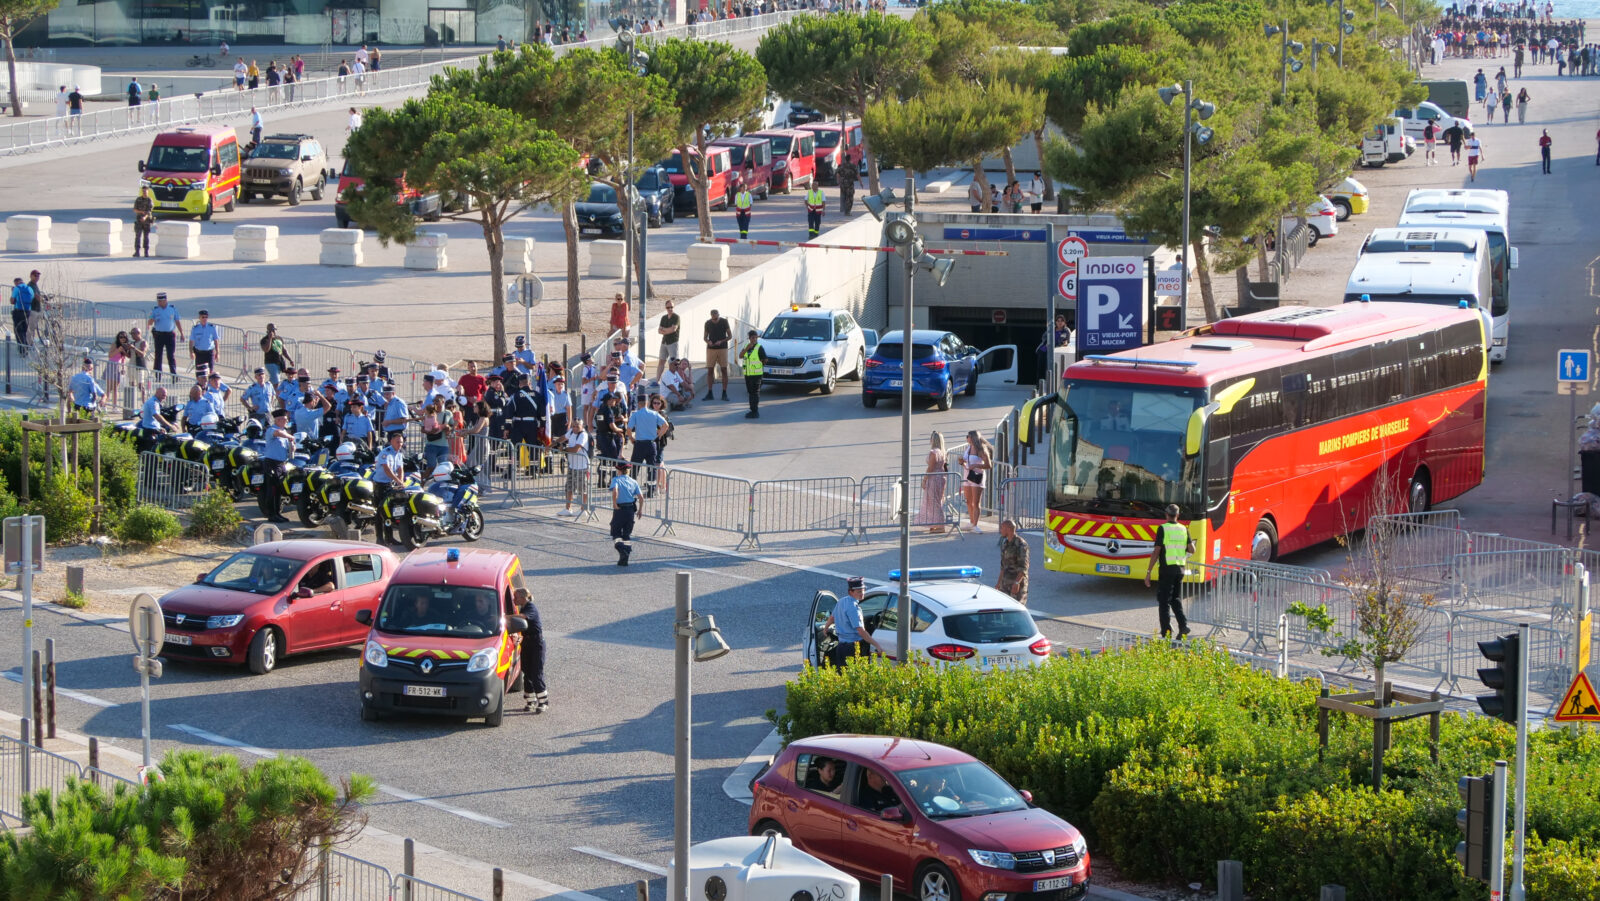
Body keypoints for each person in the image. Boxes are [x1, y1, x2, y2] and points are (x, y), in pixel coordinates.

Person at [1142, 504, 1193, 638]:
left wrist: (1148, 572)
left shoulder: (1163, 528)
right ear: (1178, 515)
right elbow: (1192, 549)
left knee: (1164, 601)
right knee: (1175, 599)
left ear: (1166, 515)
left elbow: (1156, 551)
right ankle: (1183, 626)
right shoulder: (1183, 529)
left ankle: (1166, 633)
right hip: (1180, 569)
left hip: (1166, 569)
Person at [824, 575, 887, 666]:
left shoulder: (842, 601)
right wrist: (876, 645)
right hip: (852, 649)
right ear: (851, 592)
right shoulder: (854, 608)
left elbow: (832, 618)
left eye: (863, 590)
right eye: (859, 591)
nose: (862, 593)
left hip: (841, 647)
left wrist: (825, 628)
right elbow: (861, 631)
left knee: (842, 675)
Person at [627, 393, 669, 492]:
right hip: (651, 444)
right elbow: (665, 425)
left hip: (639, 444)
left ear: (638, 403)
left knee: (635, 467)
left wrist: (631, 439)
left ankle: (631, 489)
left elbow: (629, 428)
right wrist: (659, 436)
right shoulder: (654, 414)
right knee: (652, 468)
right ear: (647, 403)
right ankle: (651, 490)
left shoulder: (636, 414)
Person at [516, 588, 549, 713]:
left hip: (536, 644)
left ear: (524, 598)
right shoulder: (522, 608)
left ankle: (543, 702)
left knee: (536, 672)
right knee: (527, 673)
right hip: (527, 642)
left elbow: (522, 618)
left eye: (516, 597)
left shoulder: (530, 608)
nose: (514, 599)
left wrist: (504, 617)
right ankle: (530, 700)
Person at [371, 431, 407, 543]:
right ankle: (379, 538)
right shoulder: (385, 453)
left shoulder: (399, 454)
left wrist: (400, 481)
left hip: (390, 485)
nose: (399, 444)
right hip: (381, 485)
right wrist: (397, 481)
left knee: (389, 511)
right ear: (391, 441)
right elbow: (387, 470)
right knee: (380, 512)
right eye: (397, 442)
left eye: (401, 442)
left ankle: (389, 537)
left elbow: (400, 469)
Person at [957, 430, 991, 533]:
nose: (966, 438)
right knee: (968, 501)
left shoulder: (981, 449)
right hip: (968, 476)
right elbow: (966, 464)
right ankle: (971, 522)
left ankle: (975, 524)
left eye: (968, 436)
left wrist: (976, 465)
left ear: (972, 438)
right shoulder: (968, 448)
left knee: (976, 502)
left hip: (977, 477)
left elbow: (988, 465)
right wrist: (961, 462)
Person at [610, 460, 642, 565]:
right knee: (627, 534)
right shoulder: (634, 481)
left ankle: (621, 549)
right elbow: (641, 497)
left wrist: (614, 503)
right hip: (630, 510)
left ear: (619, 470)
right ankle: (625, 558)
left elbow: (615, 491)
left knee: (616, 533)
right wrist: (640, 510)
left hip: (620, 509)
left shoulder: (616, 479)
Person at [146, 292, 184, 375]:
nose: (159, 303)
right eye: (158, 301)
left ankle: (174, 375)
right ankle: (158, 374)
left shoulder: (172, 309)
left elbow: (177, 321)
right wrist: (152, 319)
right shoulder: (155, 310)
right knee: (158, 355)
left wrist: (182, 333)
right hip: (159, 335)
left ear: (165, 300)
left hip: (170, 335)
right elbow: (149, 322)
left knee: (171, 355)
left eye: (161, 301)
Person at [559, 419, 590, 515]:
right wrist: (551, 445)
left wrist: (564, 449)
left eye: (577, 426)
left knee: (582, 489)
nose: (575, 428)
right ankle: (568, 508)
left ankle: (583, 509)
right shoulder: (571, 432)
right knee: (569, 487)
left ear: (582, 426)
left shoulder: (583, 435)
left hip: (582, 467)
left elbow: (576, 449)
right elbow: (562, 438)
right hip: (572, 466)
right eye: (574, 426)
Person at [919, 431, 948, 533]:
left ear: (933, 440)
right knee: (936, 501)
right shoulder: (942, 452)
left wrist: (924, 480)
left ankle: (941, 526)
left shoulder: (934, 452)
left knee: (934, 501)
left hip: (934, 478)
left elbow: (930, 468)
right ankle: (935, 523)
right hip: (940, 478)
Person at [996, 518, 1029, 605]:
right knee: (1004, 608)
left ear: (1008, 529)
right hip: (1005, 584)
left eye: (1002, 528)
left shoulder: (1021, 544)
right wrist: (998, 584)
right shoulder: (1005, 543)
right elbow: (1003, 567)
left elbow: (1023, 567)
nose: (1000, 530)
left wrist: (1017, 582)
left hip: (1017, 585)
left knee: (1017, 608)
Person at [703, 310, 732, 401]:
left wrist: (722, 341)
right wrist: (708, 341)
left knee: (724, 369)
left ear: (718, 315)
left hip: (722, 348)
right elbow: (704, 337)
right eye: (713, 316)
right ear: (711, 316)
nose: (715, 318)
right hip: (711, 349)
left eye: (716, 316)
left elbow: (730, 336)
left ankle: (724, 392)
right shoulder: (707, 323)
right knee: (710, 370)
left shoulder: (724, 322)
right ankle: (710, 392)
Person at [740, 328, 766, 419]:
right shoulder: (746, 346)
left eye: (756, 338)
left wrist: (759, 365)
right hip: (748, 374)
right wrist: (747, 348)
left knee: (755, 393)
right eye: (752, 338)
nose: (754, 339)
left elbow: (765, 360)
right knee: (750, 392)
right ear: (749, 338)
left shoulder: (759, 348)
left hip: (757, 375)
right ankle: (752, 410)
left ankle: (755, 411)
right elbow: (740, 356)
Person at [189, 309, 219, 373]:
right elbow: (191, 341)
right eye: (203, 317)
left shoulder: (211, 328)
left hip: (209, 353)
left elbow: (216, 340)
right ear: (199, 318)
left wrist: (218, 353)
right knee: (200, 372)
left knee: (210, 371)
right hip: (199, 353)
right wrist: (191, 352)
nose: (204, 319)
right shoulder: (195, 329)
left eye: (206, 317)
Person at [9, 277, 32, 350]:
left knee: (18, 330)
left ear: (16, 282)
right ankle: (27, 347)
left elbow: (12, 301)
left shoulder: (17, 288)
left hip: (18, 311)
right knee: (25, 330)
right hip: (28, 312)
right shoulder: (30, 288)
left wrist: (12, 292)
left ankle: (21, 349)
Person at [132, 187, 155, 257]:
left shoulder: (149, 200)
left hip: (147, 221)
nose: (144, 192)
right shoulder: (138, 199)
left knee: (146, 237)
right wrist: (141, 212)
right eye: (143, 191)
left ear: (148, 192)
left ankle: (146, 252)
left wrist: (144, 217)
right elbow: (135, 209)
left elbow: (149, 211)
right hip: (139, 220)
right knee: (137, 236)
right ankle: (137, 251)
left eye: (146, 191)